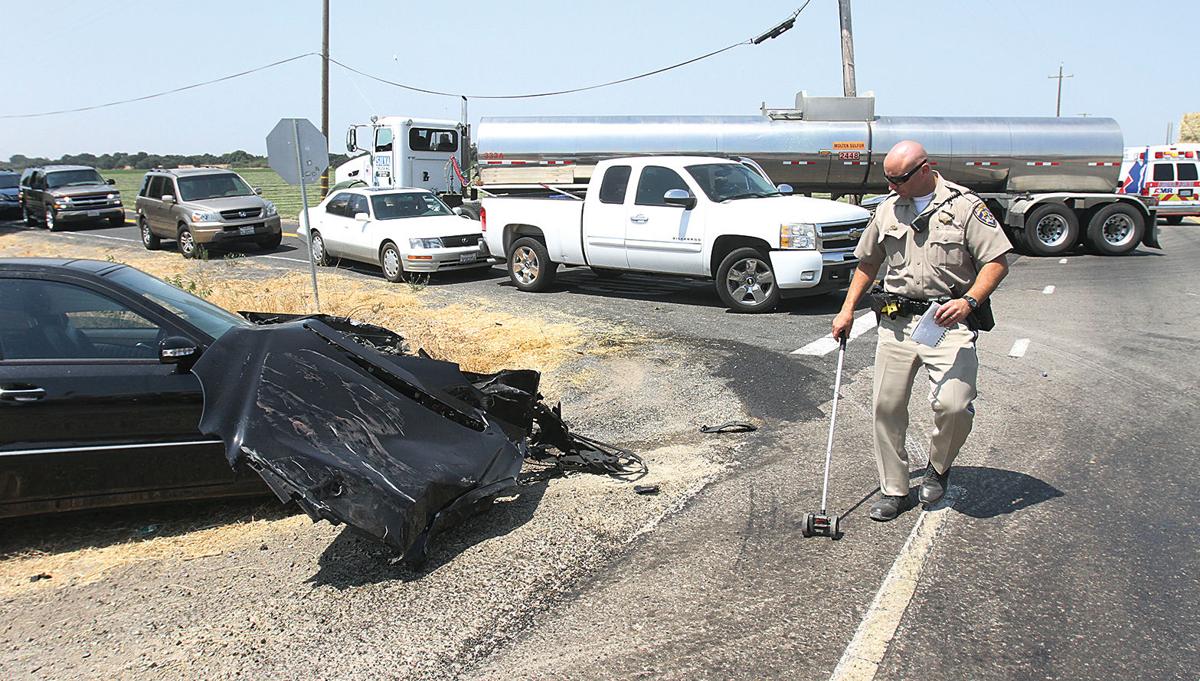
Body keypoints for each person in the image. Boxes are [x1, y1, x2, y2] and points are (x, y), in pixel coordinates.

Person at [831, 140, 1012, 521]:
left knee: (955, 405)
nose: (892, 186)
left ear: (925, 170)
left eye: (899, 179)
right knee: (886, 407)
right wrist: (846, 311)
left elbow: (996, 262)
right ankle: (894, 489)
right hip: (896, 321)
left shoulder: (965, 206)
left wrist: (970, 302)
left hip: (947, 320)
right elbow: (867, 264)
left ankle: (938, 467)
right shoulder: (886, 209)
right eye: (888, 179)